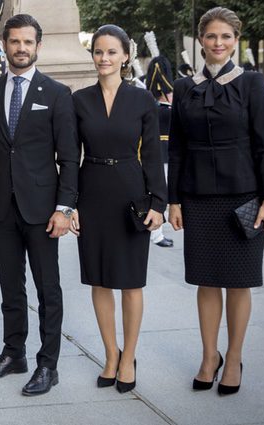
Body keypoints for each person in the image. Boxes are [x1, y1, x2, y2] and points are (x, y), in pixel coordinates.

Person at [168, 7, 264, 395]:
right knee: (206, 281)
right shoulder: (184, 88)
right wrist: (174, 201)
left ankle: (233, 359)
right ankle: (208, 356)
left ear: (236, 40)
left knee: (238, 282)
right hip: (198, 198)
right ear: (200, 40)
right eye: (212, 36)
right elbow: (177, 150)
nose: (218, 43)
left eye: (226, 37)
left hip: (244, 198)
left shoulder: (251, 84)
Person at [0, 12, 80, 397]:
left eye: (28, 42)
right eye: (14, 41)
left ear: (38, 45)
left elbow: (69, 157)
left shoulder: (56, 94)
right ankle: (13, 352)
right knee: (9, 286)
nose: (21, 48)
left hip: (42, 210)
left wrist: (64, 208)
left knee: (47, 289)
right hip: (1, 208)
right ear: (5, 43)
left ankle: (47, 364)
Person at [71, 24, 167, 394]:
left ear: (126, 56)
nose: (105, 58)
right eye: (99, 51)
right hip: (92, 190)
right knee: (98, 279)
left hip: (131, 193)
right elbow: (68, 155)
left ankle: (129, 358)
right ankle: (111, 353)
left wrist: (158, 201)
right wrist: (71, 204)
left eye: (112, 52)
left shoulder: (142, 100)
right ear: (92, 55)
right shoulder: (78, 100)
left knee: (129, 281)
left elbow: (154, 155)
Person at [145, 55, 175, 248]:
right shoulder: (154, 102)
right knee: (157, 195)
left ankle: (156, 232)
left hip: (167, 152)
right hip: (158, 153)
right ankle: (156, 234)